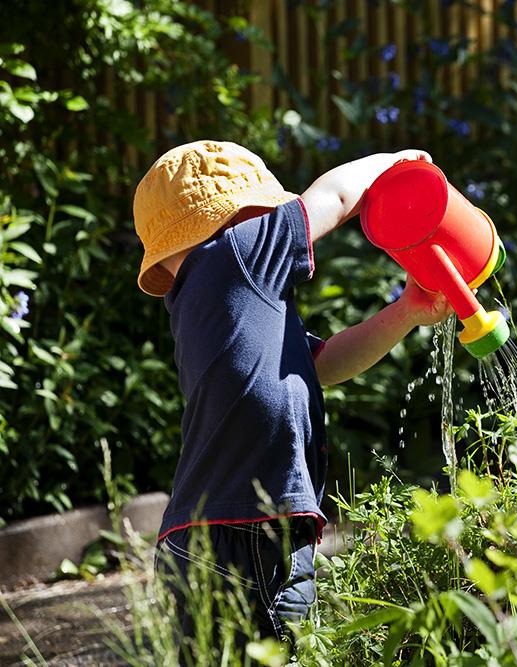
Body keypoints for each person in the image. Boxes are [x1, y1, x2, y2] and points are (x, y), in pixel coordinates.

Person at [132, 140, 451, 651]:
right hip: (246, 532)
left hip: (208, 535)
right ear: (240, 220)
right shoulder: (232, 258)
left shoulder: (225, 309)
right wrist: (392, 163)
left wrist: (406, 310)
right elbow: (336, 197)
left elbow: (323, 364)